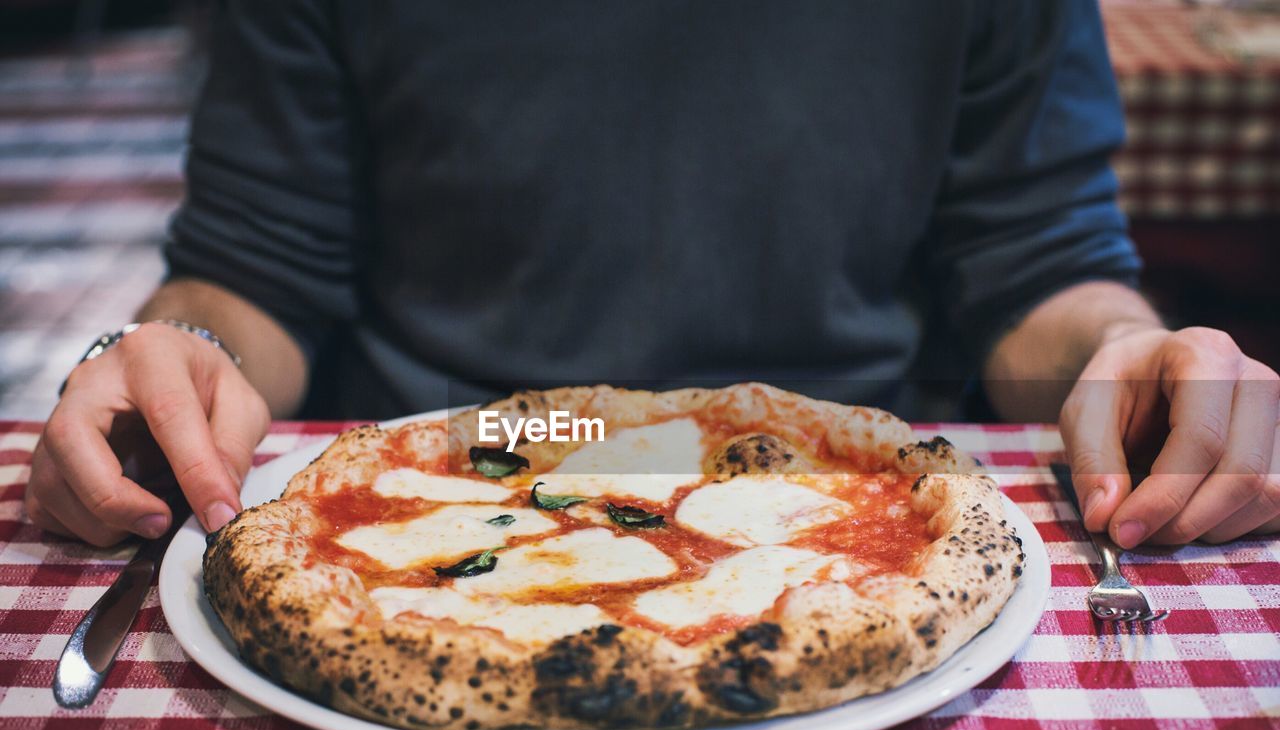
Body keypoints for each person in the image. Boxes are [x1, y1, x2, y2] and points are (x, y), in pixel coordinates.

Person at [25, 1, 1279, 550]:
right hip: (468, 457)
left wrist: (1125, 353)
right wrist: (180, 359)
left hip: (833, 472)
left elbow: (1036, 260)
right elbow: (256, 268)